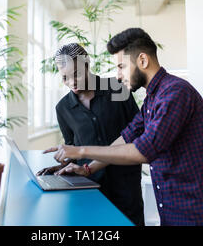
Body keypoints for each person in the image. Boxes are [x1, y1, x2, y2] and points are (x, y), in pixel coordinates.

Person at [45, 28, 203, 226]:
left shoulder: (175, 93)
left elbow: (144, 150)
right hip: (175, 205)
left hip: (196, 208)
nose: (117, 76)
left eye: (121, 66)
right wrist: (88, 168)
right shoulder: (154, 98)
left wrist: (80, 150)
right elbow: (127, 136)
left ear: (142, 60)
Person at [37, 43, 145, 226]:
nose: (72, 82)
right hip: (91, 186)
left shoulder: (117, 88)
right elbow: (73, 147)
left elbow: (138, 131)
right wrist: (60, 167)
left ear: (87, 64)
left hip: (126, 183)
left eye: (77, 74)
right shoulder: (63, 108)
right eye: (65, 78)